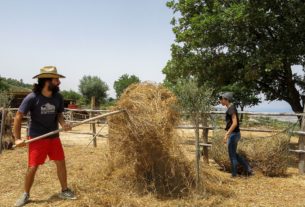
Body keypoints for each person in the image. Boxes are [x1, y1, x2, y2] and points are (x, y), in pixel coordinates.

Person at [14, 66, 76, 207]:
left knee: (61, 162)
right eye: (56, 79)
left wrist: (64, 124)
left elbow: (59, 114)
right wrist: (17, 138)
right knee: (33, 166)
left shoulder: (58, 97)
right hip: (37, 137)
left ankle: (64, 190)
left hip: (53, 136)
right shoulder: (32, 98)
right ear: (46, 81)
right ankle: (26, 194)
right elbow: (18, 117)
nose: (59, 82)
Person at [219, 92, 253, 177]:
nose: (220, 101)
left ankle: (234, 174)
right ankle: (248, 168)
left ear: (226, 99)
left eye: (221, 99)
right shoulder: (231, 108)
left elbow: (234, 123)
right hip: (235, 134)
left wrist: (227, 134)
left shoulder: (231, 108)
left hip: (233, 135)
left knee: (232, 156)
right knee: (234, 154)